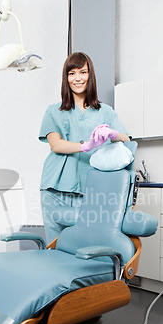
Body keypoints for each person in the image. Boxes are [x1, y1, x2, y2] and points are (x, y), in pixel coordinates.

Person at [39, 51, 130, 244]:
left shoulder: (105, 112)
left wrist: (113, 135)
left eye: (83, 72)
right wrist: (87, 146)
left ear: (90, 76)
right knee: (54, 247)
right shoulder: (53, 111)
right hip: (55, 189)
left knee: (85, 246)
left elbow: (125, 138)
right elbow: (55, 145)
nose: (77, 78)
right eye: (72, 73)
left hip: (90, 190)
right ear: (66, 78)